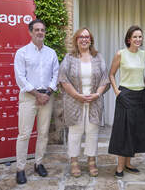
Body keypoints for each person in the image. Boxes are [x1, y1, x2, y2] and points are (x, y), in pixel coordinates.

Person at [58, 28, 109, 178]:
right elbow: (63, 78)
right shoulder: (69, 58)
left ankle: (91, 160)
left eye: (87, 37)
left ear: (91, 40)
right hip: (74, 101)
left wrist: (97, 94)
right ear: (76, 40)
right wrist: (77, 95)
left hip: (94, 101)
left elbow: (105, 79)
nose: (84, 39)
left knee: (92, 131)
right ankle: (74, 161)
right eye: (81, 37)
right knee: (75, 132)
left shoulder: (98, 57)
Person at [14, 19, 59, 184]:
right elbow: (20, 78)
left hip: (47, 97)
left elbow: (56, 75)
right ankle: (20, 168)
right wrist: (36, 94)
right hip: (28, 98)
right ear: (30, 32)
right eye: (37, 30)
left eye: (43, 30)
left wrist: (47, 93)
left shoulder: (51, 53)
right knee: (24, 134)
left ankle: (38, 163)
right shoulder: (22, 53)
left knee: (43, 133)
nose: (40, 32)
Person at [108, 25, 145, 178]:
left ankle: (128, 163)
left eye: (140, 36)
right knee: (123, 131)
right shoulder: (121, 54)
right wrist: (117, 92)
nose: (138, 39)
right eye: (135, 37)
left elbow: (144, 74)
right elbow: (111, 74)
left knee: (134, 130)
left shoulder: (144, 54)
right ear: (129, 39)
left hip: (140, 96)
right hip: (125, 95)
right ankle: (119, 166)